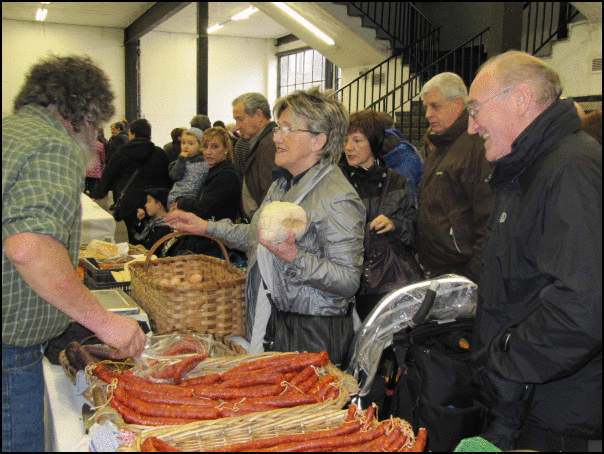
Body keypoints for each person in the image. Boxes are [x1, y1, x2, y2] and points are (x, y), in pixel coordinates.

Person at [2, 55, 146, 452]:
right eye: (98, 122)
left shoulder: (12, 133)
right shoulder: (53, 145)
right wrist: (106, 323)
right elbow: (29, 247)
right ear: (84, 111)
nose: (97, 135)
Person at [166, 88, 365, 366]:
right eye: (278, 127)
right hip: (274, 320)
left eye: (287, 129)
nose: (277, 137)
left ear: (318, 140)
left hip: (311, 333)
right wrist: (205, 227)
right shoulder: (283, 183)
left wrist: (293, 257)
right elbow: (257, 237)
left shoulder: (337, 196)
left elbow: (347, 280)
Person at [467, 50, 602, 451]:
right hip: (530, 401)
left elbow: (584, 303)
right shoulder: (529, 167)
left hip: (561, 412)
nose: (472, 128)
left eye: (475, 110)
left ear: (521, 99)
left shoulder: (570, 170)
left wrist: (507, 357)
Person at [416, 72, 494, 283]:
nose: (428, 114)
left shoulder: (475, 148)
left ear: (458, 103)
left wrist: (472, 276)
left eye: (435, 106)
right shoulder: (441, 146)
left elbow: (488, 219)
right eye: (426, 107)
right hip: (438, 270)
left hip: (462, 273)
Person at [339, 110, 418, 320]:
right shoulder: (335, 182)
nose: (349, 147)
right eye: (346, 140)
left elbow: (416, 234)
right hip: (345, 283)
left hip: (386, 283)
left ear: (373, 143)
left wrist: (396, 225)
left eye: (357, 140)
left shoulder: (399, 182)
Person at [91, 118, 171, 245]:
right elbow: (167, 178)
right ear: (148, 134)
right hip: (154, 203)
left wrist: (97, 194)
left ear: (132, 134)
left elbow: (108, 175)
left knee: (134, 238)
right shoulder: (159, 153)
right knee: (154, 237)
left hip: (130, 203)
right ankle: (151, 259)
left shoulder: (122, 152)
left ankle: (137, 261)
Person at [171, 127, 241, 258]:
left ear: (226, 148)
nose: (208, 152)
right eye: (205, 146)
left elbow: (204, 208)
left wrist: (181, 203)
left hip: (216, 242)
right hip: (209, 239)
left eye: (214, 147)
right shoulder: (214, 172)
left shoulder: (226, 176)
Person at [232, 92, 278, 219]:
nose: (237, 127)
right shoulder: (260, 141)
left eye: (240, 119)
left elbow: (271, 192)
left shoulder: (269, 144)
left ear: (259, 115)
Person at [167, 127, 210, 207]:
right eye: (183, 143)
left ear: (200, 147)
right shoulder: (181, 161)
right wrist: (181, 161)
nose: (186, 146)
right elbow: (174, 176)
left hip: (194, 199)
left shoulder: (206, 163)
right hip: (177, 196)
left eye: (191, 143)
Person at [131, 188, 173, 255]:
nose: (145, 205)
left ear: (159, 205)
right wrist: (140, 220)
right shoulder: (152, 222)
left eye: (149, 201)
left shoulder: (165, 229)